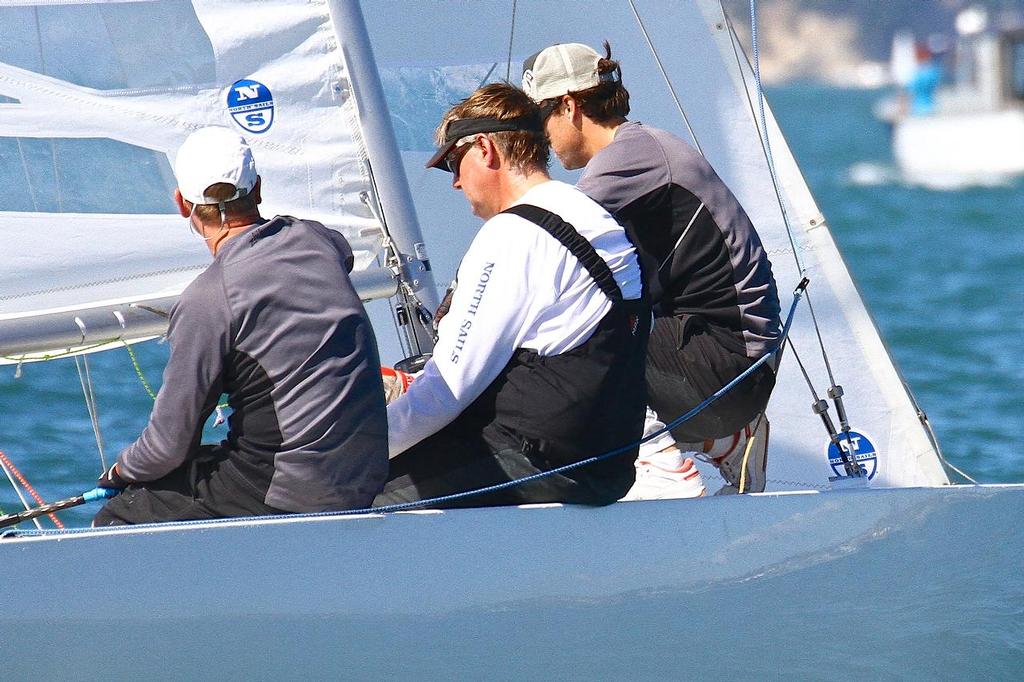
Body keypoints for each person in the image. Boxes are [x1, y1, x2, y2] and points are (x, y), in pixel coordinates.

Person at [93, 126, 388, 525]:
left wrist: (120, 472)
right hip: (363, 476)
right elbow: (337, 258)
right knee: (211, 461)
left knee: (121, 515)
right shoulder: (321, 242)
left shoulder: (208, 298)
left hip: (291, 491)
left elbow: (166, 448)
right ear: (259, 190)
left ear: (183, 205)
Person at [523, 42, 782, 496]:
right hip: (735, 371)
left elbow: (542, 239)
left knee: (568, 336)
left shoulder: (631, 157)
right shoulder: (642, 148)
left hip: (727, 368)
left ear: (569, 106)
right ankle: (723, 440)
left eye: (539, 119)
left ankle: (656, 460)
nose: (539, 136)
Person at [376, 83, 648, 508]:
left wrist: (354, 451)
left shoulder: (514, 234)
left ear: (485, 148)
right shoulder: (591, 214)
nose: (454, 184)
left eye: (452, 163)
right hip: (606, 464)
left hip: (539, 464)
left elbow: (446, 390)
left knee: (355, 496)